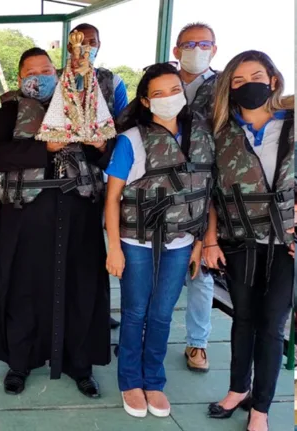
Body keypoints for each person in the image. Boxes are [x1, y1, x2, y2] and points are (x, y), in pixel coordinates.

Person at [0, 47, 112, 397]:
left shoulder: (85, 105)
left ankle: (80, 364)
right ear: (20, 78)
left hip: (79, 211)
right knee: (23, 289)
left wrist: (97, 144)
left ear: (58, 72)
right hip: (27, 214)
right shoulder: (8, 112)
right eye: (31, 72)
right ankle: (20, 361)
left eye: (46, 70)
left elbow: (108, 152)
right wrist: (44, 149)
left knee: (79, 288)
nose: (40, 76)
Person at [104, 63, 212, 418]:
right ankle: (130, 381)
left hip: (180, 242)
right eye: (158, 93)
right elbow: (112, 198)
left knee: (163, 314)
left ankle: (154, 381)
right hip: (136, 242)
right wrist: (114, 247)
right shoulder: (131, 140)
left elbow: (205, 192)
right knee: (135, 313)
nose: (168, 98)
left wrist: (198, 242)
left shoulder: (200, 135)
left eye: (174, 90)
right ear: (146, 102)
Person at [205, 50, 294, 431]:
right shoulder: (220, 132)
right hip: (238, 238)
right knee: (242, 317)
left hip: (286, 241)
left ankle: (261, 406)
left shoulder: (292, 125)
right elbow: (206, 191)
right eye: (238, 81)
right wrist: (209, 240)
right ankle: (238, 388)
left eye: (256, 76)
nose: (248, 85)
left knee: (273, 323)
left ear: (273, 79)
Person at [69, 23, 128, 331]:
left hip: (95, 176)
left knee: (93, 253)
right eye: (81, 40)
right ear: (69, 44)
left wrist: (102, 141)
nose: (87, 45)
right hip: (58, 178)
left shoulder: (112, 81)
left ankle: (96, 312)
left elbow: (123, 126)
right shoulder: (56, 78)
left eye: (93, 41)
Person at [172, 22, 219, 373]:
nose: (197, 49)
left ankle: (197, 343)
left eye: (205, 44)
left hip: (204, 190)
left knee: (200, 272)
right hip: (158, 192)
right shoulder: (162, 83)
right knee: (155, 271)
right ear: (176, 51)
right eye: (189, 44)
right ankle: (144, 336)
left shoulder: (224, 89)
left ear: (214, 50)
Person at [69, 23, 129, 119]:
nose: (87, 47)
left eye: (92, 42)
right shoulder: (58, 80)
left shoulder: (113, 82)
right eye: (81, 43)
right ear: (70, 48)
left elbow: (124, 122)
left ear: (98, 45)